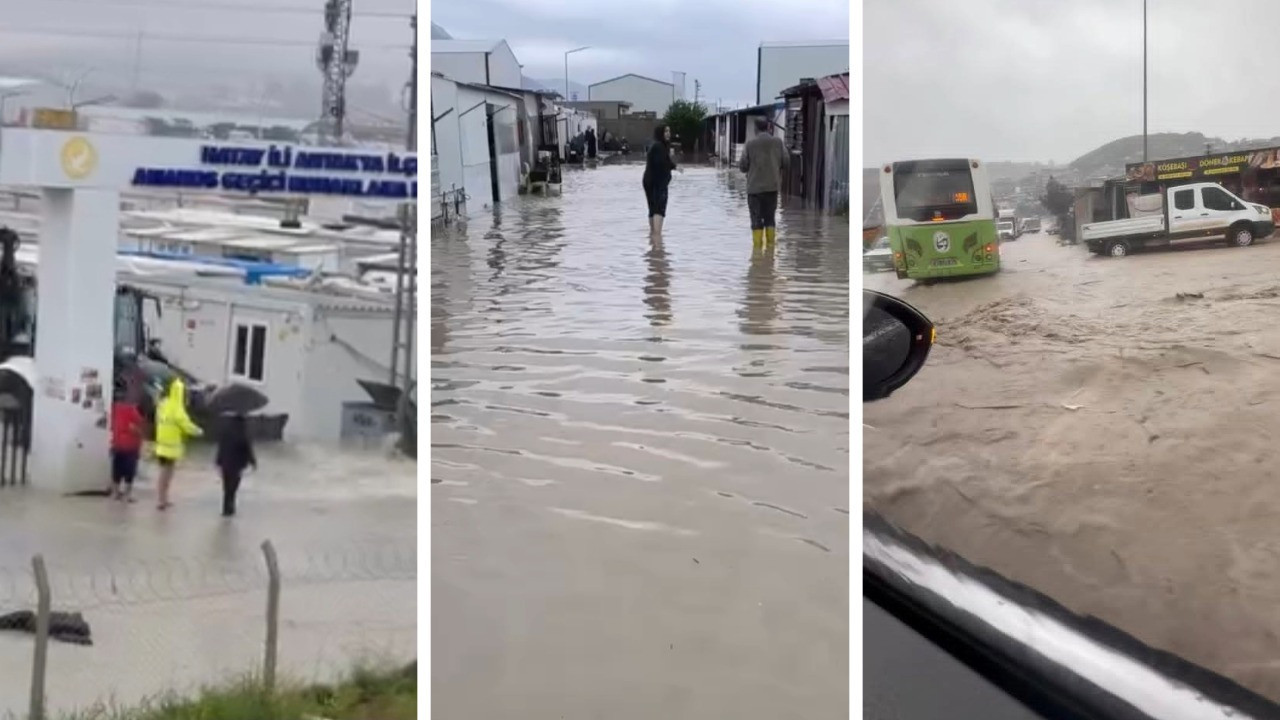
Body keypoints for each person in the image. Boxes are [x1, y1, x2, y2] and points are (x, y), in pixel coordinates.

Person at [153, 377, 202, 511]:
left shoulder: (163, 404)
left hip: (161, 445)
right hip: (171, 448)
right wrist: (198, 431)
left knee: (164, 474)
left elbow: (157, 418)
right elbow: (186, 425)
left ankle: (163, 499)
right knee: (166, 475)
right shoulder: (177, 408)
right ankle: (161, 501)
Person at [739, 117, 789, 246]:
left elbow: (743, 167)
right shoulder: (778, 143)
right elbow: (787, 163)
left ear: (756, 129)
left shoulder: (750, 145)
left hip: (754, 190)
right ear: (769, 127)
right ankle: (770, 251)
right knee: (770, 219)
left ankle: (757, 255)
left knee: (756, 220)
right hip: (772, 188)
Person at [215, 414, 256, 517]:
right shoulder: (243, 434)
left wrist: (218, 461)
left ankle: (226, 508)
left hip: (225, 463)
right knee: (233, 486)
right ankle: (230, 507)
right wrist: (253, 462)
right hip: (236, 465)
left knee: (226, 486)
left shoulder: (225, 432)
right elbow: (248, 449)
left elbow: (221, 447)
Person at [642, 124, 679, 236]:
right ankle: (657, 239)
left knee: (653, 209)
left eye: (669, 131)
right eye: (665, 131)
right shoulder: (659, 146)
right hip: (657, 181)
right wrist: (671, 167)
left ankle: (653, 236)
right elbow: (661, 163)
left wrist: (675, 167)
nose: (668, 133)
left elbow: (665, 161)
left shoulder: (658, 145)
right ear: (660, 133)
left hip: (650, 180)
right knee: (659, 209)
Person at [109, 391, 145, 503]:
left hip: (117, 444)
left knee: (117, 469)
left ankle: (115, 493)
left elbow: (111, 426)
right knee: (129, 471)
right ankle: (127, 495)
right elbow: (137, 429)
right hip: (130, 446)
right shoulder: (132, 410)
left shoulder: (113, 409)